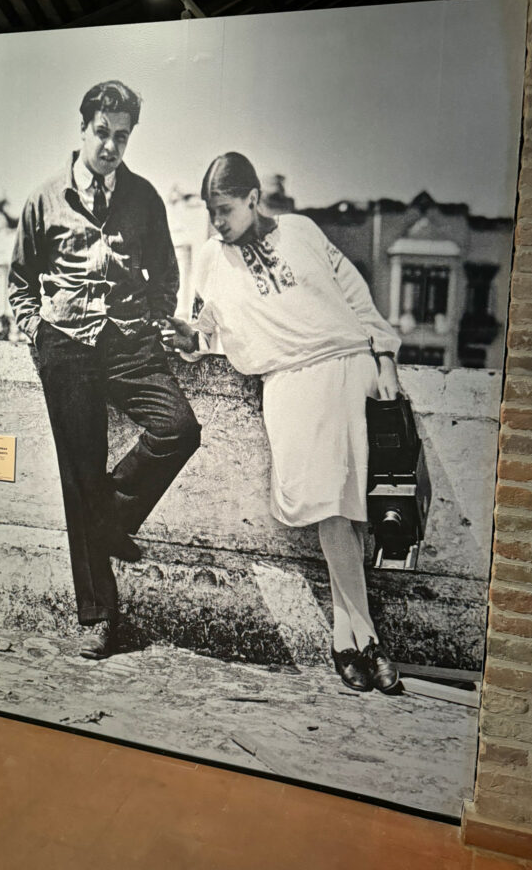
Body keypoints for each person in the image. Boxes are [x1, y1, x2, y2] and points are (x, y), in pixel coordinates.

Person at [166, 152, 401, 693]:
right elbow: (204, 327)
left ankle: (350, 640)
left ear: (252, 199)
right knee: (325, 504)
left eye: (224, 210)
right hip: (289, 381)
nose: (217, 223)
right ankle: (366, 640)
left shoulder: (300, 230)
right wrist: (188, 339)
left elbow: (355, 294)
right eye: (209, 212)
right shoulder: (209, 258)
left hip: (346, 366)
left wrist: (385, 355)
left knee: (347, 510)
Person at [8, 80, 201, 660]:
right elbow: (21, 282)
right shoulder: (43, 199)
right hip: (65, 346)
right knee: (78, 475)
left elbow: (166, 273)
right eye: (102, 133)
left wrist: (157, 318)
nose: (112, 146)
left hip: (130, 345)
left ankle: (112, 517)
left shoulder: (144, 198)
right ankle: (97, 616)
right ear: (83, 128)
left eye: (122, 136)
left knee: (179, 427)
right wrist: (36, 333)